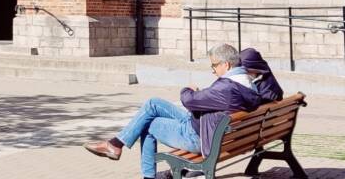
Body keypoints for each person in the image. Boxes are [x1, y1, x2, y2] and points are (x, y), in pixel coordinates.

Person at [84, 44, 259, 179]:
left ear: (226, 64)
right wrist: (201, 96)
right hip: (212, 130)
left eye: (214, 65)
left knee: (148, 123)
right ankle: (116, 144)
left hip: (200, 137)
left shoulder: (226, 88)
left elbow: (189, 100)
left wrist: (188, 89)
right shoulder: (247, 83)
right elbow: (208, 102)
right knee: (153, 104)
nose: (212, 70)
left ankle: (144, 172)